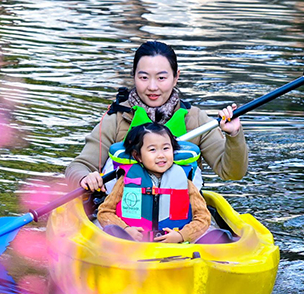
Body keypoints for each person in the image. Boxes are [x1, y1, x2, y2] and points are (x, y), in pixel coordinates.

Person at [65, 41, 247, 192]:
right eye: (144, 77)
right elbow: (78, 166)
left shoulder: (197, 120)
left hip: (183, 217)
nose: (152, 87)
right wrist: (85, 178)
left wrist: (233, 134)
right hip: (123, 215)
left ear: (176, 77)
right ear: (134, 77)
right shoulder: (116, 119)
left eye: (161, 78)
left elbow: (232, 173)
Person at [97, 122, 211, 243]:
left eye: (166, 148)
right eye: (152, 150)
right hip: (133, 244)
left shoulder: (185, 181)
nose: (161, 155)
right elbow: (105, 212)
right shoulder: (125, 180)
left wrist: (181, 235)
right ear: (138, 156)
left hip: (176, 246)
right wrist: (125, 230)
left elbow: (203, 218)